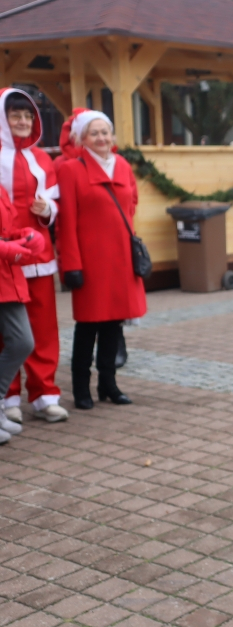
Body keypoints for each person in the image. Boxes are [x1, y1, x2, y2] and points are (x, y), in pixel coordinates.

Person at [57, 110, 146, 409]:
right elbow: (66, 222)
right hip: (89, 262)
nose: (101, 138)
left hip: (120, 260)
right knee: (87, 327)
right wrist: (70, 265)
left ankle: (108, 383)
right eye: (94, 133)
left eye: (105, 132)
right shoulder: (71, 170)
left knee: (113, 325)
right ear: (82, 139)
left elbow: (131, 205)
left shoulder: (122, 165)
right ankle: (81, 387)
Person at [0, 89, 67, 424]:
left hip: (38, 253)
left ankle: (44, 394)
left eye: (28, 116)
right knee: (8, 330)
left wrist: (48, 210)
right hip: (4, 259)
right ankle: (8, 395)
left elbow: (55, 204)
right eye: (15, 115)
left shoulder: (44, 159)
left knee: (43, 327)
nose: (23, 121)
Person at [0, 182, 44, 443]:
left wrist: (27, 236)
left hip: (6, 278)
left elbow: (8, 228)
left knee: (22, 341)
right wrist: (5, 248)